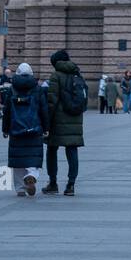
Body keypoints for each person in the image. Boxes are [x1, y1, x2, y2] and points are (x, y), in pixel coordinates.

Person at [44, 50, 88, 196]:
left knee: (51, 149)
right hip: (75, 118)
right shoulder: (77, 74)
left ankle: (53, 183)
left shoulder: (56, 76)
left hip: (57, 120)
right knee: (72, 150)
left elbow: (52, 101)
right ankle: (71, 185)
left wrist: (46, 121)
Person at [2, 62, 48, 197]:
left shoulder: (12, 89)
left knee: (18, 159)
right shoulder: (38, 89)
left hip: (16, 129)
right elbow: (44, 110)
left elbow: (7, 111)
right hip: (34, 128)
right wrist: (46, 127)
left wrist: (5, 129)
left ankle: (20, 188)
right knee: (33, 157)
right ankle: (31, 175)